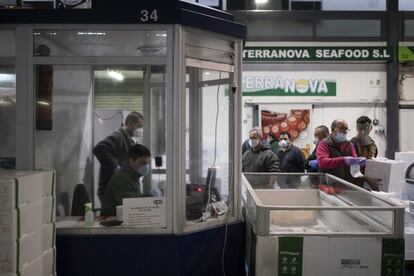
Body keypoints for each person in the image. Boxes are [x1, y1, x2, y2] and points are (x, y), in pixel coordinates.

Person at [93, 111, 144, 204]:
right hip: (111, 189)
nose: (140, 130)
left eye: (142, 127)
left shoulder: (131, 140)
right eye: (139, 126)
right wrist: (115, 167)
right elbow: (99, 148)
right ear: (129, 123)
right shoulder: (118, 136)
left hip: (121, 187)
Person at [317, 119, 378, 191]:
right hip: (329, 188)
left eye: (346, 129)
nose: (345, 131)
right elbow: (322, 162)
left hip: (346, 188)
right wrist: (344, 160)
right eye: (341, 128)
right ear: (332, 129)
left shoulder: (349, 145)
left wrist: (366, 177)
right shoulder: (324, 144)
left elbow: (354, 172)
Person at [101, 144, 151, 216]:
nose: (146, 166)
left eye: (148, 163)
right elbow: (130, 208)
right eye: (143, 163)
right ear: (131, 161)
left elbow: (135, 197)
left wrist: (153, 199)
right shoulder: (122, 179)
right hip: (114, 221)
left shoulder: (133, 175)